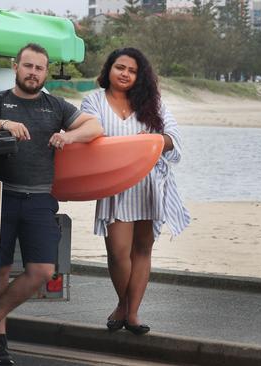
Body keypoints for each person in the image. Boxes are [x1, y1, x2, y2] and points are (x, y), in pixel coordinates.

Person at [0, 43, 103, 365]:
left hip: (40, 198)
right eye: (28, 66)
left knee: (43, 270)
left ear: (46, 72)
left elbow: (95, 126)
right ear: (16, 66)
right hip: (1, 197)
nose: (33, 73)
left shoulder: (55, 105)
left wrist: (69, 137)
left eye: (39, 68)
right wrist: (4, 124)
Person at [81, 47, 190, 335]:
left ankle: (131, 313)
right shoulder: (93, 101)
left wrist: (152, 140)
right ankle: (122, 303)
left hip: (149, 184)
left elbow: (174, 139)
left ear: (139, 76)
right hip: (114, 184)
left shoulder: (152, 105)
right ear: (109, 69)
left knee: (142, 249)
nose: (125, 74)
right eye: (120, 67)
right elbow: (89, 138)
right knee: (118, 253)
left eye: (132, 70)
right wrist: (133, 147)